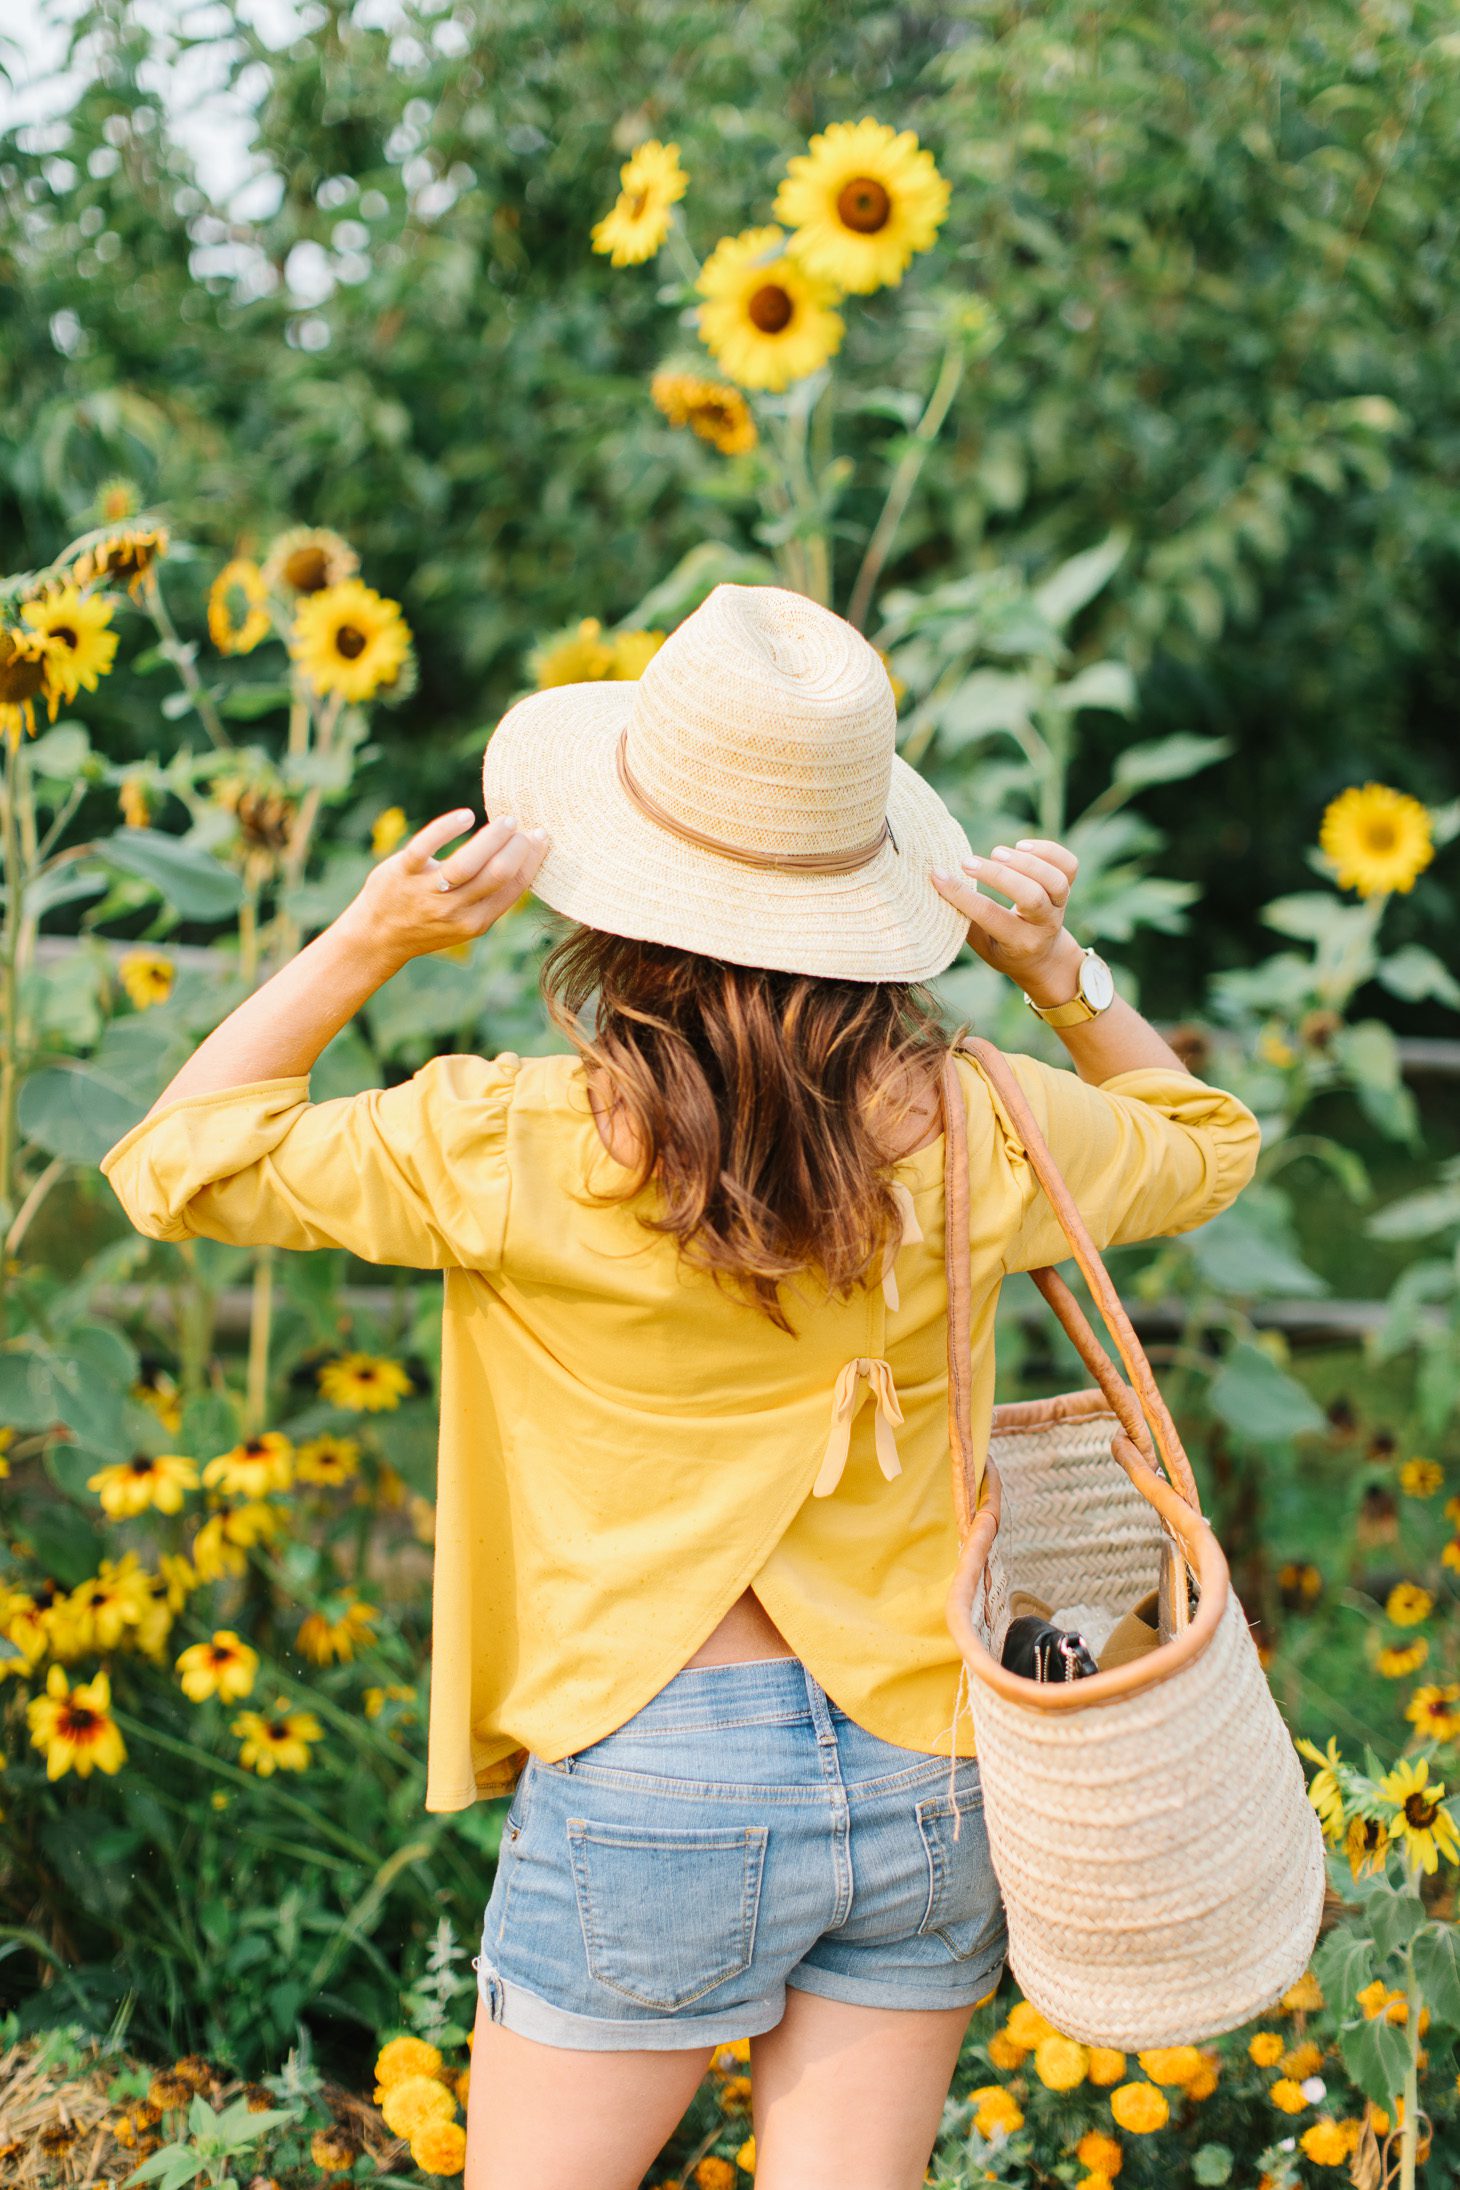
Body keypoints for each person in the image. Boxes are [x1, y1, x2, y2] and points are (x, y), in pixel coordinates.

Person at [100, 584, 1260, 2190]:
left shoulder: (514, 1142)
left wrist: (374, 936)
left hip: (654, 1760)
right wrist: (1059, 970)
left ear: (618, 898)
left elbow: (174, 1159)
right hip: (930, 1746)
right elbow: (1209, 1144)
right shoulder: (984, 1125)